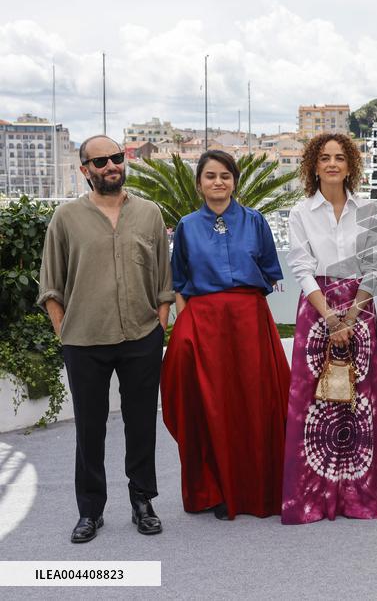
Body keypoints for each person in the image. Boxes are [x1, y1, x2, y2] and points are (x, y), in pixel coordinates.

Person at [37, 135, 173, 543]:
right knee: (90, 429)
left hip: (141, 336)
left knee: (141, 425)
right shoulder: (65, 218)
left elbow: (163, 279)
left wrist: (160, 324)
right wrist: (63, 330)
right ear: (85, 170)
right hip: (84, 340)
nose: (111, 165)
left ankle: (142, 502)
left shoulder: (149, 213)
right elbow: (51, 283)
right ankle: (90, 511)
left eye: (116, 157)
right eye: (100, 162)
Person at [160, 150, 290, 520]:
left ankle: (258, 488)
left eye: (225, 176)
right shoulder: (186, 226)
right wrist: (188, 325)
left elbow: (269, 273)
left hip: (249, 322)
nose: (218, 182)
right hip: (204, 324)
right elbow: (180, 282)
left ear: (234, 181)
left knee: (254, 401)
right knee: (211, 406)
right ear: (199, 183)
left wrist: (242, 307)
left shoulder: (255, 221)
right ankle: (216, 490)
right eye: (210, 176)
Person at [281, 132, 377, 523]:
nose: (332, 163)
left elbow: (375, 265)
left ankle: (356, 497)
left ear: (350, 165)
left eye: (339, 157)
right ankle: (314, 497)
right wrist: (330, 317)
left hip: (360, 307)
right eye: (324, 157)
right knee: (315, 404)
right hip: (317, 311)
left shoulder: (369, 210)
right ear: (314, 165)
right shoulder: (300, 212)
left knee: (359, 402)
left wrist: (351, 317)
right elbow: (300, 267)